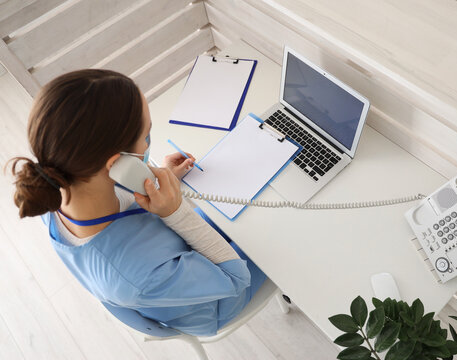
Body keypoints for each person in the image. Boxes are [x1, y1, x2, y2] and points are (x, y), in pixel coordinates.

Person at [8, 69, 266, 336]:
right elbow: (236, 278)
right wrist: (177, 214)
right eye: (146, 136)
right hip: (218, 298)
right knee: (281, 227)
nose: (147, 143)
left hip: (183, 253)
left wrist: (156, 182)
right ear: (115, 163)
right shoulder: (140, 277)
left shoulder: (56, 187)